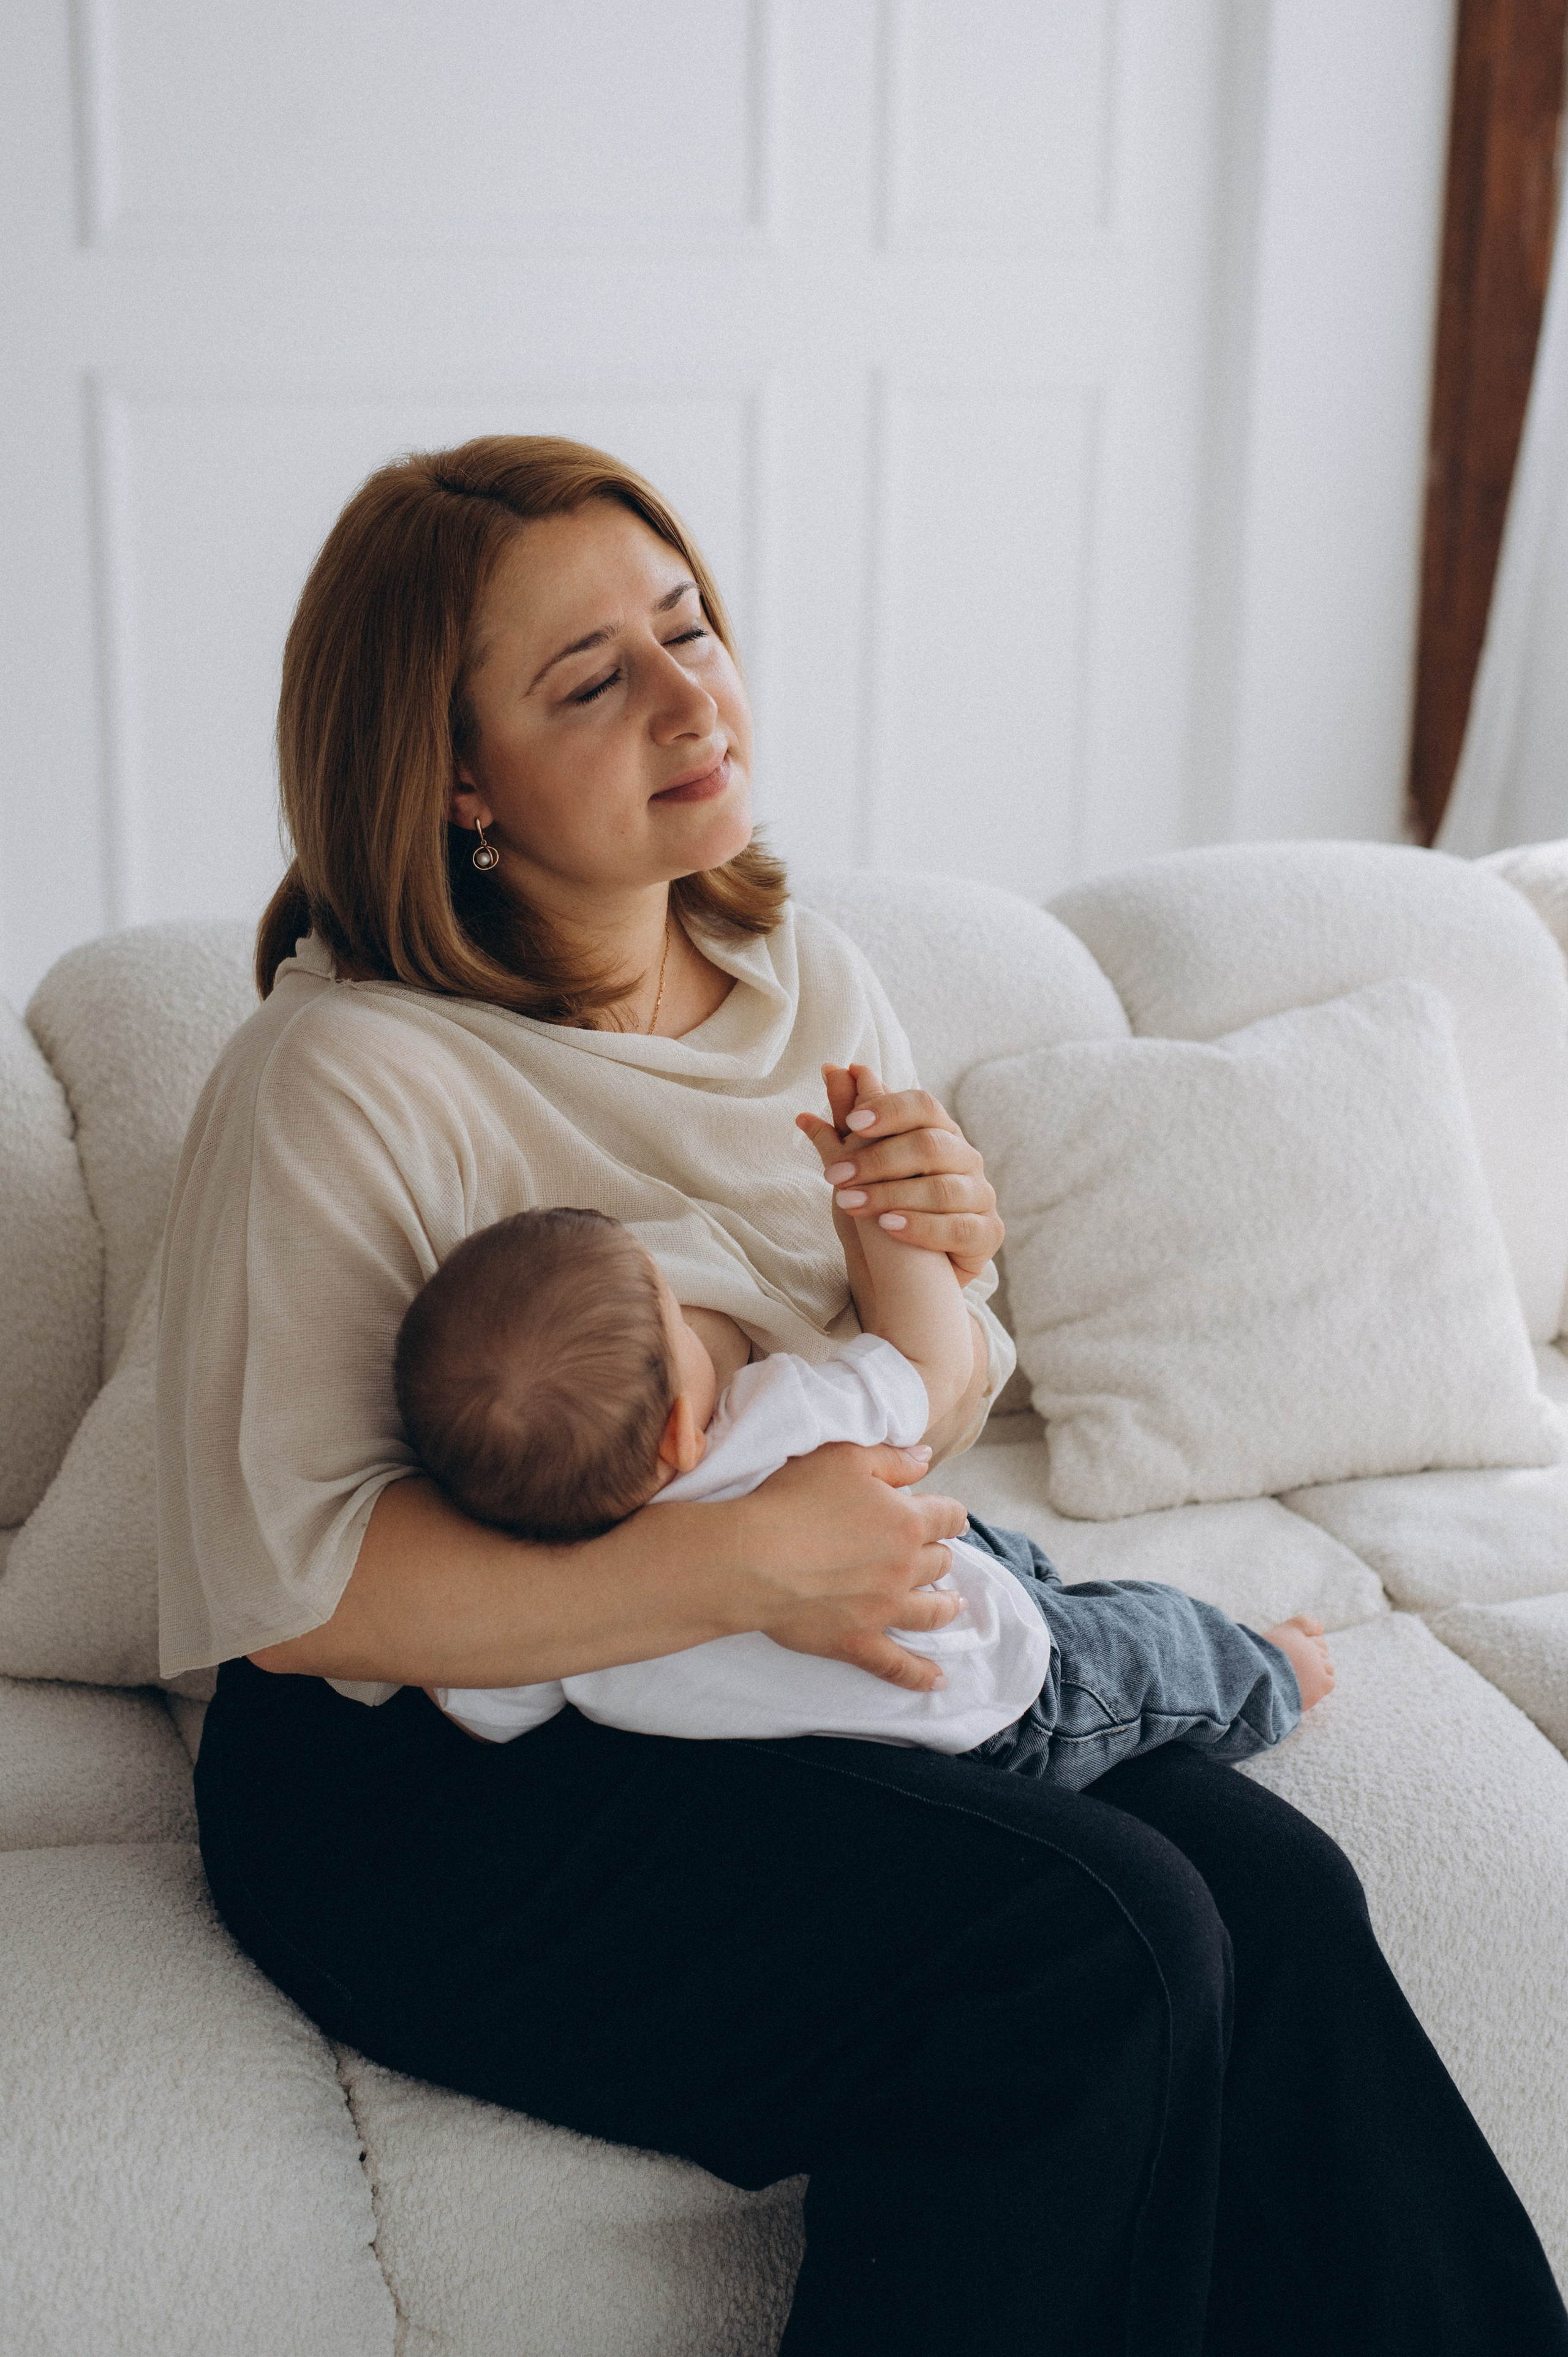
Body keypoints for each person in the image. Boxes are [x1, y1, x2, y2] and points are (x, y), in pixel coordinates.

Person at [160, 433, 1568, 2355]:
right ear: (455, 777)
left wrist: (946, 1267)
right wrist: (741, 1570)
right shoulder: (344, 1076)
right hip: (437, 1784)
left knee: (1282, 1894)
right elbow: (306, 1593)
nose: (688, 693)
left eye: (689, 625)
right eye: (593, 678)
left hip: (776, 1659)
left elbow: (917, 1403)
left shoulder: (808, 981)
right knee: (1100, 1950)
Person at [396, 1136, 1325, 1778]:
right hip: (999, 1697)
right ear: (681, 1433)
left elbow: (482, 1711)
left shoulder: (536, 1627)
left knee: (1003, 1552)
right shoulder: (770, 1421)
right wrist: (885, 1217)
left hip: (861, 1750)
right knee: (1147, 1644)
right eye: (677, 1315)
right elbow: (932, 1361)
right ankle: (1275, 1673)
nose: (693, 1313)